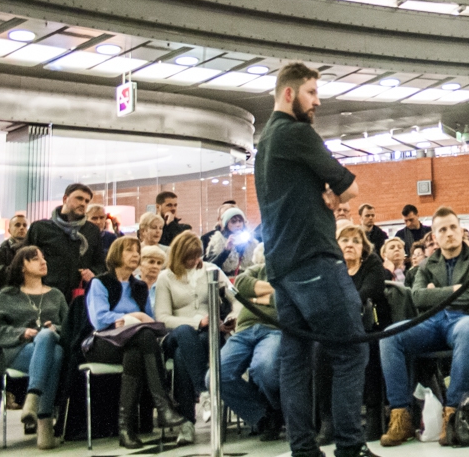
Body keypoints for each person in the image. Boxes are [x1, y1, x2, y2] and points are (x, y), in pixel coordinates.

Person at [255, 62, 370, 457]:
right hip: (314, 259)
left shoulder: (265, 140)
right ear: (289, 93)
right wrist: (337, 194)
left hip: (282, 266)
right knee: (351, 350)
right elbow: (351, 186)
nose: (317, 101)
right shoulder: (296, 133)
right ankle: (350, 448)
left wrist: (330, 193)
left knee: (296, 360)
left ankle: (304, 450)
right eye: (311, 93)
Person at [378, 207, 469, 447]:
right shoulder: (428, 264)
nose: (449, 233)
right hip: (433, 322)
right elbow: (418, 297)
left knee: (466, 330)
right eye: (442, 230)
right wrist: (457, 290)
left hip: (466, 319)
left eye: (453, 227)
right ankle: (401, 416)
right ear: (435, 237)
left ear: (460, 230)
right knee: (389, 336)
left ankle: (452, 414)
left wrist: (437, 294)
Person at [85, 237, 184, 447]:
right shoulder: (100, 282)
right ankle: (163, 405)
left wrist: (136, 318)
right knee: (143, 337)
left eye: (137, 251)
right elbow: (100, 319)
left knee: (137, 351)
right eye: (129, 251)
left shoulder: (139, 286)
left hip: (133, 343)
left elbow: (148, 318)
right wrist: (134, 317)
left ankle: (126, 430)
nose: (135, 255)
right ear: (116, 255)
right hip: (104, 342)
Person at [0, 246, 68, 448]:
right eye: (36, 259)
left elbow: (69, 328)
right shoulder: (7, 295)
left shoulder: (56, 295)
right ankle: (44, 423)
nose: (43, 262)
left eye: (44, 258)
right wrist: (21, 333)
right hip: (17, 351)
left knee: (52, 345)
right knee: (53, 351)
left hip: (47, 348)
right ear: (22, 266)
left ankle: (33, 396)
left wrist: (55, 327)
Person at [316, 224, 391, 442]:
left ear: (363, 247)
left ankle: (374, 415)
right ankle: (328, 420)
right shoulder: (329, 268)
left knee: (368, 350)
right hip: (336, 331)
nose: (350, 244)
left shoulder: (372, 264)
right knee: (320, 351)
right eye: (345, 240)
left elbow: (370, 291)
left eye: (356, 241)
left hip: (370, 328)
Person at [155, 232, 218, 445]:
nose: (194, 261)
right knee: (184, 332)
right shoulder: (165, 277)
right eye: (189, 257)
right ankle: (204, 391)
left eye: (197, 256)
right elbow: (162, 318)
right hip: (176, 333)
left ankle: (187, 424)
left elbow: (233, 297)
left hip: (205, 336)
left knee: (183, 356)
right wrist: (195, 322)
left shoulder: (211, 271)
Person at [222, 244, 283, 440]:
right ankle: (264, 414)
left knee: (264, 368)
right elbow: (240, 283)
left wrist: (255, 298)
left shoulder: (291, 272)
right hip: (245, 329)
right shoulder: (257, 269)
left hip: (274, 329)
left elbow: (288, 298)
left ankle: (274, 412)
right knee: (217, 375)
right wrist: (275, 291)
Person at [25, 183, 107, 301]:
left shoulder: (91, 230)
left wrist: (93, 272)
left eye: (86, 201)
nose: (83, 203)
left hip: (79, 297)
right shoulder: (40, 228)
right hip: (46, 295)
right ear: (65, 199)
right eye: (79, 198)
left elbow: (100, 263)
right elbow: (25, 261)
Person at [204, 207, 257, 276]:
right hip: (225, 281)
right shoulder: (218, 240)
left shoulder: (251, 241)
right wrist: (226, 250)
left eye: (240, 221)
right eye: (233, 221)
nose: (238, 224)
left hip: (246, 280)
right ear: (226, 224)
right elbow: (210, 267)